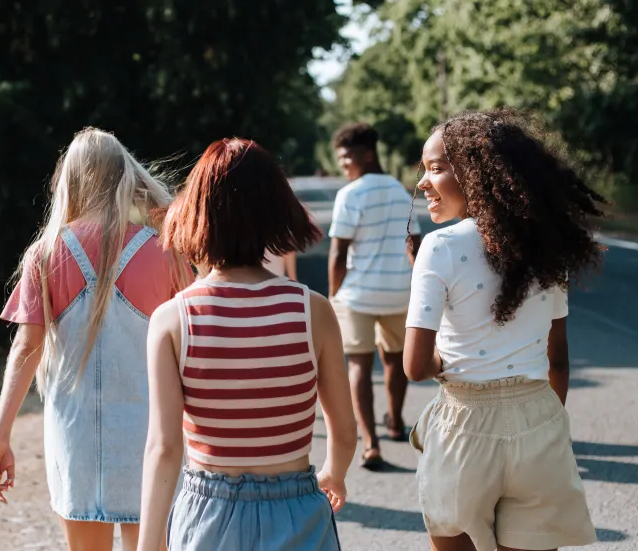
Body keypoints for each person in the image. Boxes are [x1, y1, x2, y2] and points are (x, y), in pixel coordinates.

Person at [138, 138, 357, 551]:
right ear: (277, 214)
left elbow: (164, 447)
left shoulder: (173, 319)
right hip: (297, 510)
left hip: (209, 516)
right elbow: (343, 431)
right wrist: (334, 472)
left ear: (196, 214)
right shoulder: (313, 310)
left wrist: (148, 544)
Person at [404, 109, 603, 551]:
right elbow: (558, 360)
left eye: (435, 168)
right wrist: (548, 425)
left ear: (476, 174)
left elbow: (416, 366)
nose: (422, 182)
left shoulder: (439, 247)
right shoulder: (545, 249)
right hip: (540, 420)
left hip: (464, 426)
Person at [0, 128, 192, 551]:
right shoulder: (164, 251)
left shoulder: (45, 254)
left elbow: (26, 348)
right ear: (124, 177)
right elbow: (192, 347)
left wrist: (0, 436)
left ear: (70, 180)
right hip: (150, 439)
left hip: (74, 437)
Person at [327, 122, 421, 470]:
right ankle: (395, 421)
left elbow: (338, 254)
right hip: (399, 291)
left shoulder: (350, 195)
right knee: (395, 359)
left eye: (347, 158)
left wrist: (332, 296)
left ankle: (370, 444)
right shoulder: (401, 191)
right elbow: (415, 244)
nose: (343, 166)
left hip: (359, 296)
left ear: (367, 155)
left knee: (359, 366)